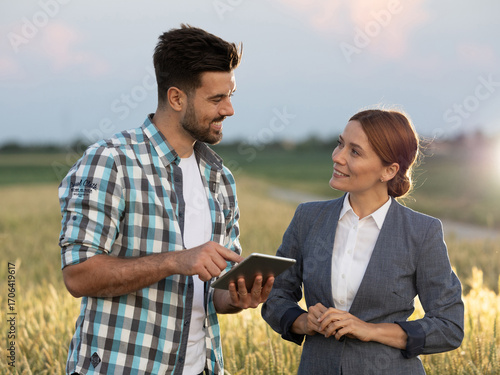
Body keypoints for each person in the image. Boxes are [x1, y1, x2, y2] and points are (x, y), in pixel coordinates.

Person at [59, 24, 273, 375]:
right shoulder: (111, 162)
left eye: (231, 95)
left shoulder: (220, 178)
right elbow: (78, 276)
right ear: (176, 98)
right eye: (217, 99)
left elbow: (214, 294)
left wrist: (237, 297)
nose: (230, 109)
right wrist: (176, 261)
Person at [262, 109, 464, 374]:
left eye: (354, 152)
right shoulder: (307, 218)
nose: (337, 157)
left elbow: (449, 326)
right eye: (340, 144)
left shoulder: (422, 232)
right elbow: (276, 296)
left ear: (389, 170)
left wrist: (370, 330)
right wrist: (303, 322)